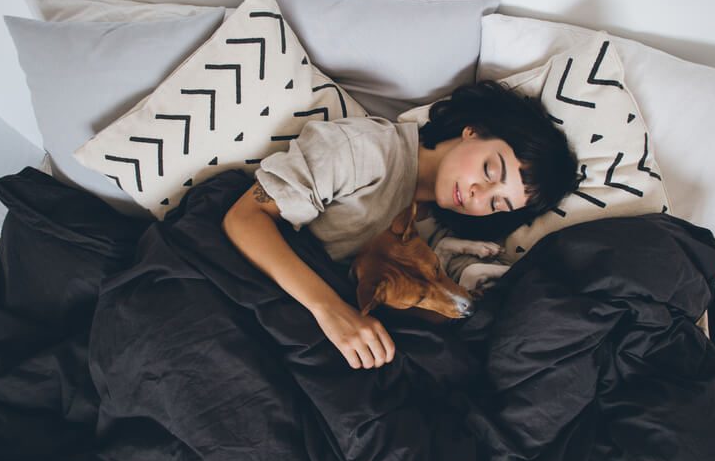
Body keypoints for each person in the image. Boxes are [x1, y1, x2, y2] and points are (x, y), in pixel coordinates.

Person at [222, 81, 579, 370]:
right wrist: (331, 311)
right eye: (490, 170)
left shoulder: (442, 230)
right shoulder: (366, 150)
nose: (477, 194)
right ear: (473, 132)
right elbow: (244, 218)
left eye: (496, 203)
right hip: (245, 298)